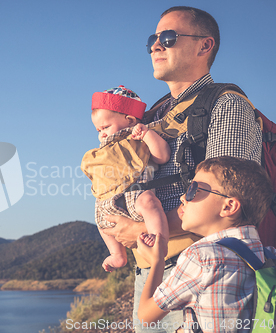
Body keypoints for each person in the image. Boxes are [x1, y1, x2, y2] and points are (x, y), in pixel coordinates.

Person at [100, 6, 262, 333]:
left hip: (203, 277)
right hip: (150, 271)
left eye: (169, 38)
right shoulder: (155, 114)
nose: (156, 46)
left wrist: (140, 231)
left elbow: (231, 201)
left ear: (205, 46)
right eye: (153, 40)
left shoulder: (227, 106)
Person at [136, 156, 275, 333]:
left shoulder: (200, 257)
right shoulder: (268, 256)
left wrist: (157, 262)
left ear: (229, 206)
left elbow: (146, 317)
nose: (183, 197)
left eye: (193, 190)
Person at [81, 86, 171, 272]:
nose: (102, 134)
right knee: (102, 222)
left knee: (150, 202)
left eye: (105, 127)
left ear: (129, 120)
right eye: (98, 130)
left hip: (136, 196)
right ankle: (118, 254)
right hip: (108, 201)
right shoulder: (104, 151)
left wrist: (147, 135)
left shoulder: (138, 137)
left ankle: (159, 241)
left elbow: (162, 157)